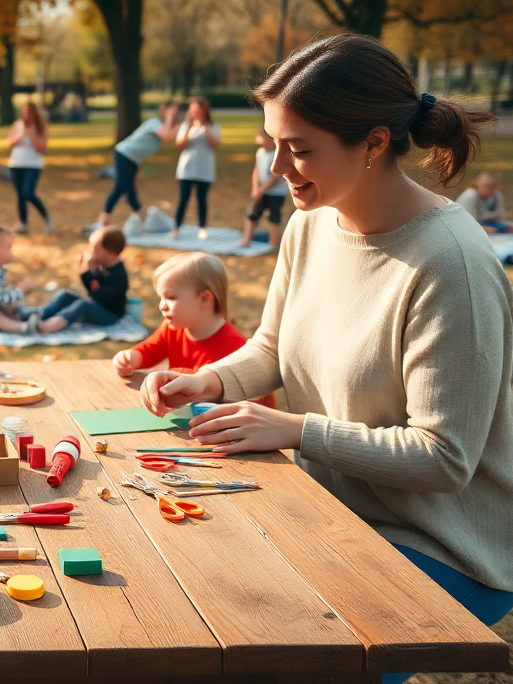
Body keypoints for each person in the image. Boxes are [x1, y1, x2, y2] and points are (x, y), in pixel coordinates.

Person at [139, 34, 512, 670]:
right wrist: (211, 381)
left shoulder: (452, 264)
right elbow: (272, 348)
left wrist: (295, 429)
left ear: (372, 143)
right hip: (327, 511)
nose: (277, 169)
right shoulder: (311, 220)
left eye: (300, 149)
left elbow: (445, 458)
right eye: (272, 144)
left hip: (442, 547)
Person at [112, 252, 274, 408]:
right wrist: (129, 358)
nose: (162, 305)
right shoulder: (173, 328)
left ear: (205, 299)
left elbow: (257, 402)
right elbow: (149, 351)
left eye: (171, 298)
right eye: (161, 297)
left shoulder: (235, 348)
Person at [98, 101, 181, 227]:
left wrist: (181, 122)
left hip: (134, 160)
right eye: (172, 113)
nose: (174, 116)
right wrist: (169, 116)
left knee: (127, 190)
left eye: (176, 113)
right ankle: (105, 219)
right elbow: (167, 137)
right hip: (124, 155)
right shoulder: (155, 123)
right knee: (122, 187)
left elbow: (171, 137)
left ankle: (142, 218)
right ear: (164, 111)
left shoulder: (166, 127)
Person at [35, 225, 128, 332]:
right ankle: (38, 315)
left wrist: (90, 272)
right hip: (98, 306)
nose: (90, 252)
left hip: (110, 315)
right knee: (67, 296)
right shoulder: (105, 268)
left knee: (83, 305)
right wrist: (87, 271)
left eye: (94, 249)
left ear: (111, 254)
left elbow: (96, 298)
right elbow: (91, 288)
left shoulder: (118, 275)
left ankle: (48, 326)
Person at [170, 96, 222, 240]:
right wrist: (189, 126)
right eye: (191, 109)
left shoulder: (213, 127)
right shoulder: (185, 127)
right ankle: (176, 228)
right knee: (183, 199)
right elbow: (180, 144)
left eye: (196, 109)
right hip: (186, 168)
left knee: (202, 199)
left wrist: (204, 126)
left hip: (205, 169)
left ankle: (202, 228)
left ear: (204, 110)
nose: (193, 112)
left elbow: (215, 144)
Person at [239, 127, 289, 248]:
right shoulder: (260, 153)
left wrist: (263, 188)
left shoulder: (278, 153)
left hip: (277, 193)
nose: (261, 144)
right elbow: (256, 170)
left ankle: (273, 243)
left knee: (274, 216)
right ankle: (246, 240)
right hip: (261, 192)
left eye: (264, 141)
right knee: (253, 213)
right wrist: (255, 187)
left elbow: (278, 175)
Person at [6, 102, 52, 234]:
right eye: (25, 112)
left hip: (33, 165)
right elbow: (9, 143)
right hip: (16, 164)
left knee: (28, 193)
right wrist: (20, 136)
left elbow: (42, 148)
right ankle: (23, 223)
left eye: (29, 112)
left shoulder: (40, 126)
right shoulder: (17, 125)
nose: (27, 115)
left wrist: (32, 136)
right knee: (20, 195)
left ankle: (46, 216)